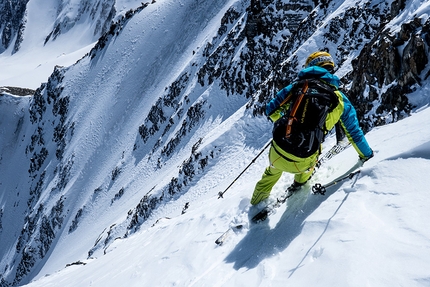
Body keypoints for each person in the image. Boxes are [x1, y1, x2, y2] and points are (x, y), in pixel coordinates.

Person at [250, 51, 373, 205]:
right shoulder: (340, 99)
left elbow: (271, 112)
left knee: (271, 172)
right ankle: (298, 184)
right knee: (308, 162)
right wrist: (367, 155)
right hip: (305, 159)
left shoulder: (296, 87)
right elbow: (354, 134)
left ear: (310, 67)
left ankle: (256, 204)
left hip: (278, 152)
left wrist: (290, 113)